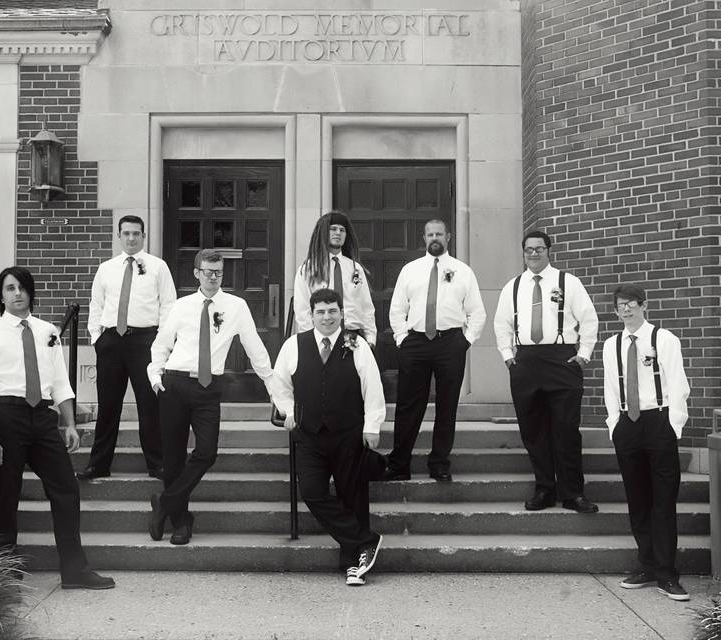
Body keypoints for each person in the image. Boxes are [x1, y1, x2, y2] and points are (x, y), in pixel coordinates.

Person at [0, 266, 114, 590]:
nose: (16, 293)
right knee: (5, 495)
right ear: (0, 296)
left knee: (66, 488)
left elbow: (60, 383)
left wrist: (70, 424)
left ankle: (74, 571)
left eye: (21, 287)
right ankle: (6, 570)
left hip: (44, 418)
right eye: (9, 288)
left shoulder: (48, 331)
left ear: (31, 292)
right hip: (7, 417)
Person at [146, 249, 278, 545]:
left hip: (207, 389)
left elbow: (255, 349)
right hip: (174, 384)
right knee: (174, 457)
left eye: (218, 272)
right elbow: (161, 345)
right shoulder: (181, 306)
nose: (213, 277)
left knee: (207, 452)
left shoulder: (236, 306)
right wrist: (155, 377)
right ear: (197, 273)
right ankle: (181, 522)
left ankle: (164, 503)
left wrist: (273, 388)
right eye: (207, 272)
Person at [271, 288, 385, 586]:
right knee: (312, 491)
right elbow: (278, 383)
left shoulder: (355, 343)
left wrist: (372, 425)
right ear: (311, 315)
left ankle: (353, 564)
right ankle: (366, 540)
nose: (327, 317)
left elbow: (372, 386)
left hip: (348, 433)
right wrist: (288, 411)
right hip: (309, 435)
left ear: (341, 313)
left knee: (352, 496)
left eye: (332, 311)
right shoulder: (293, 345)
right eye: (320, 311)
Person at [493, 230, 600, 513]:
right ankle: (545, 490)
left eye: (539, 249)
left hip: (562, 360)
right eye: (529, 249)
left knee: (566, 430)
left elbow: (589, 320)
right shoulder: (512, 287)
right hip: (525, 361)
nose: (534, 254)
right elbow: (501, 325)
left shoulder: (569, 282)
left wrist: (583, 355)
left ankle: (573, 493)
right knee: (534, 431)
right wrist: (508, 357)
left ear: (549, 250)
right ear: (523, 252)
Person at [603, 284, 691, 601]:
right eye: (620, 305)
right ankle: (648, 565)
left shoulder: (664, 339)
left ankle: (667, 573)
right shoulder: (612, 344)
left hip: (658, 422)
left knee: (663, 500)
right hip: (628, 424)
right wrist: (615, 423)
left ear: (644, 306)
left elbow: (678, 384)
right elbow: (610, 388)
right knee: (637, 499)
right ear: (615, 310)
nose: (626, 310)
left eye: (631, 304)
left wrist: (673, 426)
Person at [383, 219, 486, 482]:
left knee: (446, 405)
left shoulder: (463, 271)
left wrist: (466, 340)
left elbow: (477, 312)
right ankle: (399, 463)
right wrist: (402, 339)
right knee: (408, 406)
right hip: (415, 343)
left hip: (450, 343)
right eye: (430, 234)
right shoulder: (410, 270)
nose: (434, 238)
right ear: (424, 238)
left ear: (448, 237)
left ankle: (439, 463)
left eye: (439, 233)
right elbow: (397, 309)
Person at [78, 215, 177, 481]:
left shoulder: (158, 267)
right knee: (108, 406)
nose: (131, 238)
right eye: (126, 233)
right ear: (119, 236)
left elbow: (168, 305)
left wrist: (162, 343)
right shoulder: (106, 268)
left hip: (145, 342)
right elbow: (96, 305)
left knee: (149, 406)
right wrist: (96, 337)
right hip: (111, 343)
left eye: (136, 233)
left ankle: (157, 465)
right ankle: (99, 465)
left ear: (144, 236)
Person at [294, 211, 377, 346]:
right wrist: (312, 340)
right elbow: (302, 309)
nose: (338, 233)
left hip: (352, 336)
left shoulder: (355, 268)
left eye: (342, 230)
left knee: (351, 367)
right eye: (333, 229)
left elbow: (366, 307)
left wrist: (371, 338)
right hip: (321, 336)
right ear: (323, 232)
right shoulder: (309, 269)